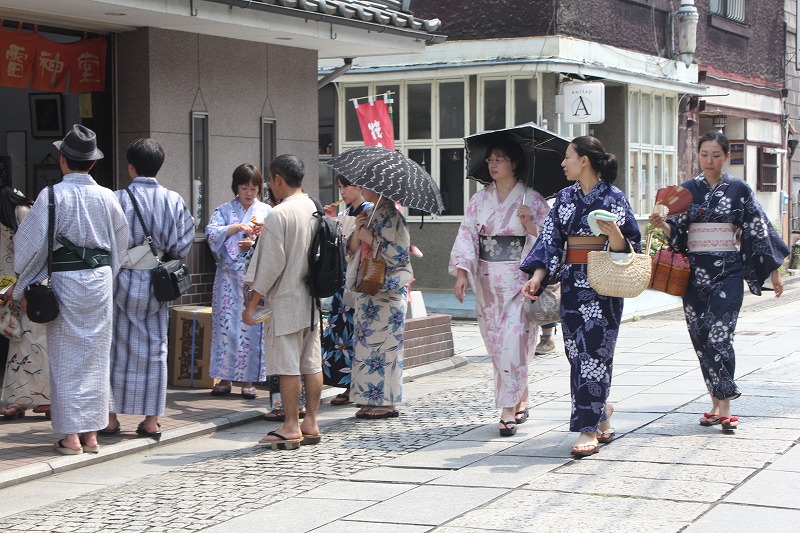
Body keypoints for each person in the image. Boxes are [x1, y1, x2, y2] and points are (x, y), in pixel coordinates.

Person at [648, 131, 789, 431]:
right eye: (704, 154)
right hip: (694, 274)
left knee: (720, 334)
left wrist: (773, 272)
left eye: (715, 155)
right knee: (700, 336)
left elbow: (757, 229)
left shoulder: (739, 189)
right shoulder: (686, 191)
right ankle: (715, 401)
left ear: (726, 157)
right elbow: (678, 233)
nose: (709, 160)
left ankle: (725, 404)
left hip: (728, 271)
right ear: (697, 156)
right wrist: (664, 225)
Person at [11, 124, 128, 454]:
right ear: (92, 163)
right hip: (101, 280)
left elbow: (30, 248)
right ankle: (92, 434)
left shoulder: (52, 196)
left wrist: (20, 285)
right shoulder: (107, 196)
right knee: (95, 358)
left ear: (63, 160)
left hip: (65, 282)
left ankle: (72, 437)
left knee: (65, 360)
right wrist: (108, 274)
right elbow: (121, 243)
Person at [520, 135, 640, 457]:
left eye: (568, 157)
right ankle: (601, 413)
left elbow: (629, 249)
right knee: (577, 356)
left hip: (604, 286)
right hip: (573, 286)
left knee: (594, 356)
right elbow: (550, 242)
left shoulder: (614, 197)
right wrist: (537, 277)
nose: (563, 163)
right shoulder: (564, 199)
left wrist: (614, 232)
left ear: (584, 160)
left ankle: (587, 430)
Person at [450, 139, 550, 436]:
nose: (493, 164)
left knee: (513, 341)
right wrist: (461, 273)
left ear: (514, 163)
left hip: (520, 281)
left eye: (501, 158)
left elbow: (550, 239)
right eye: (491, 159)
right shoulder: (479, 200)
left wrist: (531, 225)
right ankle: (520, 395)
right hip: (486, 281)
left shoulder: (532, 200)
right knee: (498, 345)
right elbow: (467, 234)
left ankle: (507, 410)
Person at [103, 139, 194, 440]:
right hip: (157, 284)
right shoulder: (174, 200)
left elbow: (106, 242)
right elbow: (183, 242)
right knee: (155, 349)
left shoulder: (117, 199)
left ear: (131, 166)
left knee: (116, 349)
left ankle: (111, 418)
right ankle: (151, 420)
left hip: (121, 281)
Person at [242, 154, 322, 449]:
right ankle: (311, 421)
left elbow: (269, 267)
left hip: (285, 298)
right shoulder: (314, 206)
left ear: (277, 179)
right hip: (311, 297)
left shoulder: (279, 214)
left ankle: (290, 425)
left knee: (288, 364)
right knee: (311, 362)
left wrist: (252, 304)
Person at [347, 188, 413, 419]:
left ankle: (386, 403)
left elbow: (400, 255)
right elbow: (352, 250)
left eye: (364, 186)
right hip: (370, 290)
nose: (361, 189)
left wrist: (372, 239)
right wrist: (358, 231)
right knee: (367, 347)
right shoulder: (372, 212)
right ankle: (367, 398)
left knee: (386, 349)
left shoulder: (393, 216)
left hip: (388, 292)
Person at [206, 164, 271, 399]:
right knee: (225, 327)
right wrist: (235, 228)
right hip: (227, 277)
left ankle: (248, 380)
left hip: (253, 279)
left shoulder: (266, 211)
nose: (249, 193)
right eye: (244, 187)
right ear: (236, 187)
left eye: (254, 188)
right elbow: (211, 233)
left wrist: (256, 241)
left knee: (251, 327)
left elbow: (274, 240)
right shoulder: (223, 210)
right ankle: (223, 378)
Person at [0, 185, 50, 421]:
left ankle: (37, 401)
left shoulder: (22, 212)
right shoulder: (21, 210)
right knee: (23, 344)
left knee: (33, 343)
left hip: (32, 287)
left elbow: (34, 254)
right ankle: (30, 400)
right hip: (21, 286)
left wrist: (15, 286)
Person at [321, 175, 372, 405]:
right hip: (344, 278)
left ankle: (355, 386)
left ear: (359, 186)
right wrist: (331, 222)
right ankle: (347, 384)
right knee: (341, 331)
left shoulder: (367, 209)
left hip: (361, 276)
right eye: (340, 186)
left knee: (355, 331)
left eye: (346, 186)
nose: (342, 191)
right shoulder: (346, 212)